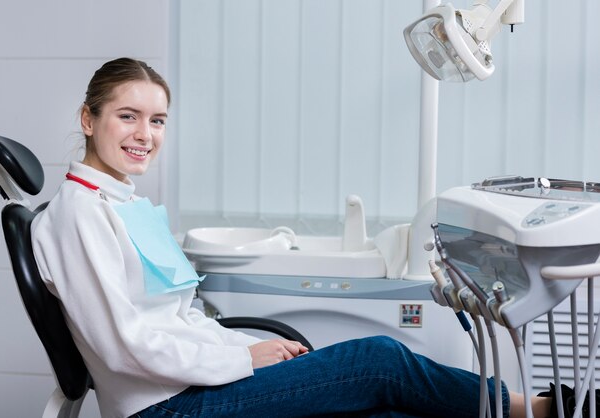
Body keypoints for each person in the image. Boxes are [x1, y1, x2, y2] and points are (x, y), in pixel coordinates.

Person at [31, 57, 559, 418]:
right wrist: (244, 361)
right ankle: (533, 409)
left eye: (158, 120)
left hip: (192, 384)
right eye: (128, 117)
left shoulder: (124, 204)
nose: (145, 135)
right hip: (165, 407)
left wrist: (251, 345)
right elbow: (125, 346)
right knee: (377, 359)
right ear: (87, 118)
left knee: (388, 407)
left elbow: (179, 317)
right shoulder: (77, 214)